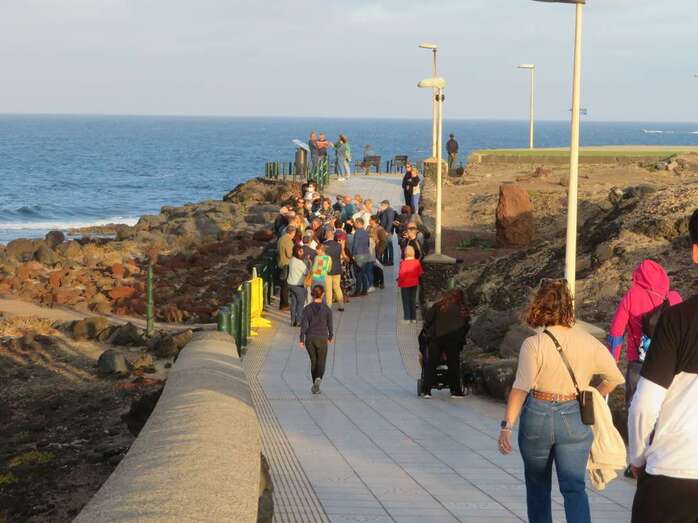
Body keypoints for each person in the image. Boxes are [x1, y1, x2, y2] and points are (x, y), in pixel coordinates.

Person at [498, 278, 624, 523]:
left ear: (539, 306)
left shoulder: (533, 344)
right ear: (568, 307)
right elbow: (615, 378)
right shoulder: (589, 341)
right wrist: (593, 394)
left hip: (538, 414)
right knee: (574, 487)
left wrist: (507, 426)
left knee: (537, 487)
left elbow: (520, 388)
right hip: (575, 415)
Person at [628, 209, 698, 523]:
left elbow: (644, 404)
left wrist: (637, 457)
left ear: (695, 253)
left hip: (674, 472)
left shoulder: (677, 319)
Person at [607, 259, 682, 477]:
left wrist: (612, 363)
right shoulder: (674, 298)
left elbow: (616, 333)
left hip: (638, 364)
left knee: (637, 411)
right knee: (664, 411)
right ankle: (660, 460)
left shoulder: (632, 296)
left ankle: (637, 462)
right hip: (668, 365)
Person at [422, 289, 471, 398]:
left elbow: (428, 319)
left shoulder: (438, 305)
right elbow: (466, 325)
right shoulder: (462, 308)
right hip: (453, 341)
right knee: (453, 364)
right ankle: (456, 391)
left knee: (431, 363)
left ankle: (426, 391)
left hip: (436, 339)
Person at [299, 285, 334, 395]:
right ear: (323, 294)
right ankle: (318, 379)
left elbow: (304, 325)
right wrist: (330, 336)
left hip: (310, 339)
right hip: (322, 337)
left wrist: (301, 339)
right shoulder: (327, 309)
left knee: (313, 361)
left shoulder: (307, 309)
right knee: (321, 361)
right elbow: (330, 325)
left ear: (312, 295)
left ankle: (315, 383)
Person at [397, 245, 423, 323]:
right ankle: (413, 318)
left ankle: (407, 318)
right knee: (413, 300)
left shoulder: (403, 263)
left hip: (405, 284)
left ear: (405, 253)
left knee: (406, 301)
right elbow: (420, 273)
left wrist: (399, 282)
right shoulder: (417, 262)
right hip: (414, 283)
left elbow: (401, 274)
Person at [351, 217, 375, 295]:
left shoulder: (357, 233)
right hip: (365, 253)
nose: (354, 224)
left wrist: (353, 254)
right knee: (363, 273)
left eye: (355, 223)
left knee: (358, 274)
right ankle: (364, 290)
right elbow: (368, 243)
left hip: (358, 255)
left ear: (358, 223)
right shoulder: (365, 232)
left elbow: (355, 245)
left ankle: (357, 291)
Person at [323, 230, 344, 311]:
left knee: (328, 289)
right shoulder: (338, 245)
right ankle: (341, 305)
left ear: (326, 235)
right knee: (337, 287)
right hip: (337, 268)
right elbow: (340, 256)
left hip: (327, 270)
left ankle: (328, 306)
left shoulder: (324, 245)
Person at [287, 244, 308, 327]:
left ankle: (292, 321)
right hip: (298, 286)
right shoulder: (300, 263)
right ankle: (299, 321)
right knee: (300, 304)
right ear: (298, 252)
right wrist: (307, 262)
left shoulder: (291, 260)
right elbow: (306, 272)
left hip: (290, 284)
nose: (303, 253)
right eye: (301, 251)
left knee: (293, 303)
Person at [277, 225, 296, 310]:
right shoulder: (288, 240)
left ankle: (282, 304)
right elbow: (289, 254)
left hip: (281, 263)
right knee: (285, 286)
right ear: (292, 232)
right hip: (286, 264)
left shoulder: (281, 238)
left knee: (283, 285)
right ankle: (285, 304)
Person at [378, 200, 397, 266]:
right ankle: (385, 260)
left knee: (389, 246)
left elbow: (390, 222)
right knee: (385, 246)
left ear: (386, 205)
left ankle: (390, 261)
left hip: (387, 232)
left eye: (382, 205)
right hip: (384, 231)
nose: (381, 206)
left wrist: (387, 231)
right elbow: (378, 218)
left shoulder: (390, 211)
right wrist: (379, 212)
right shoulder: (384, 211)